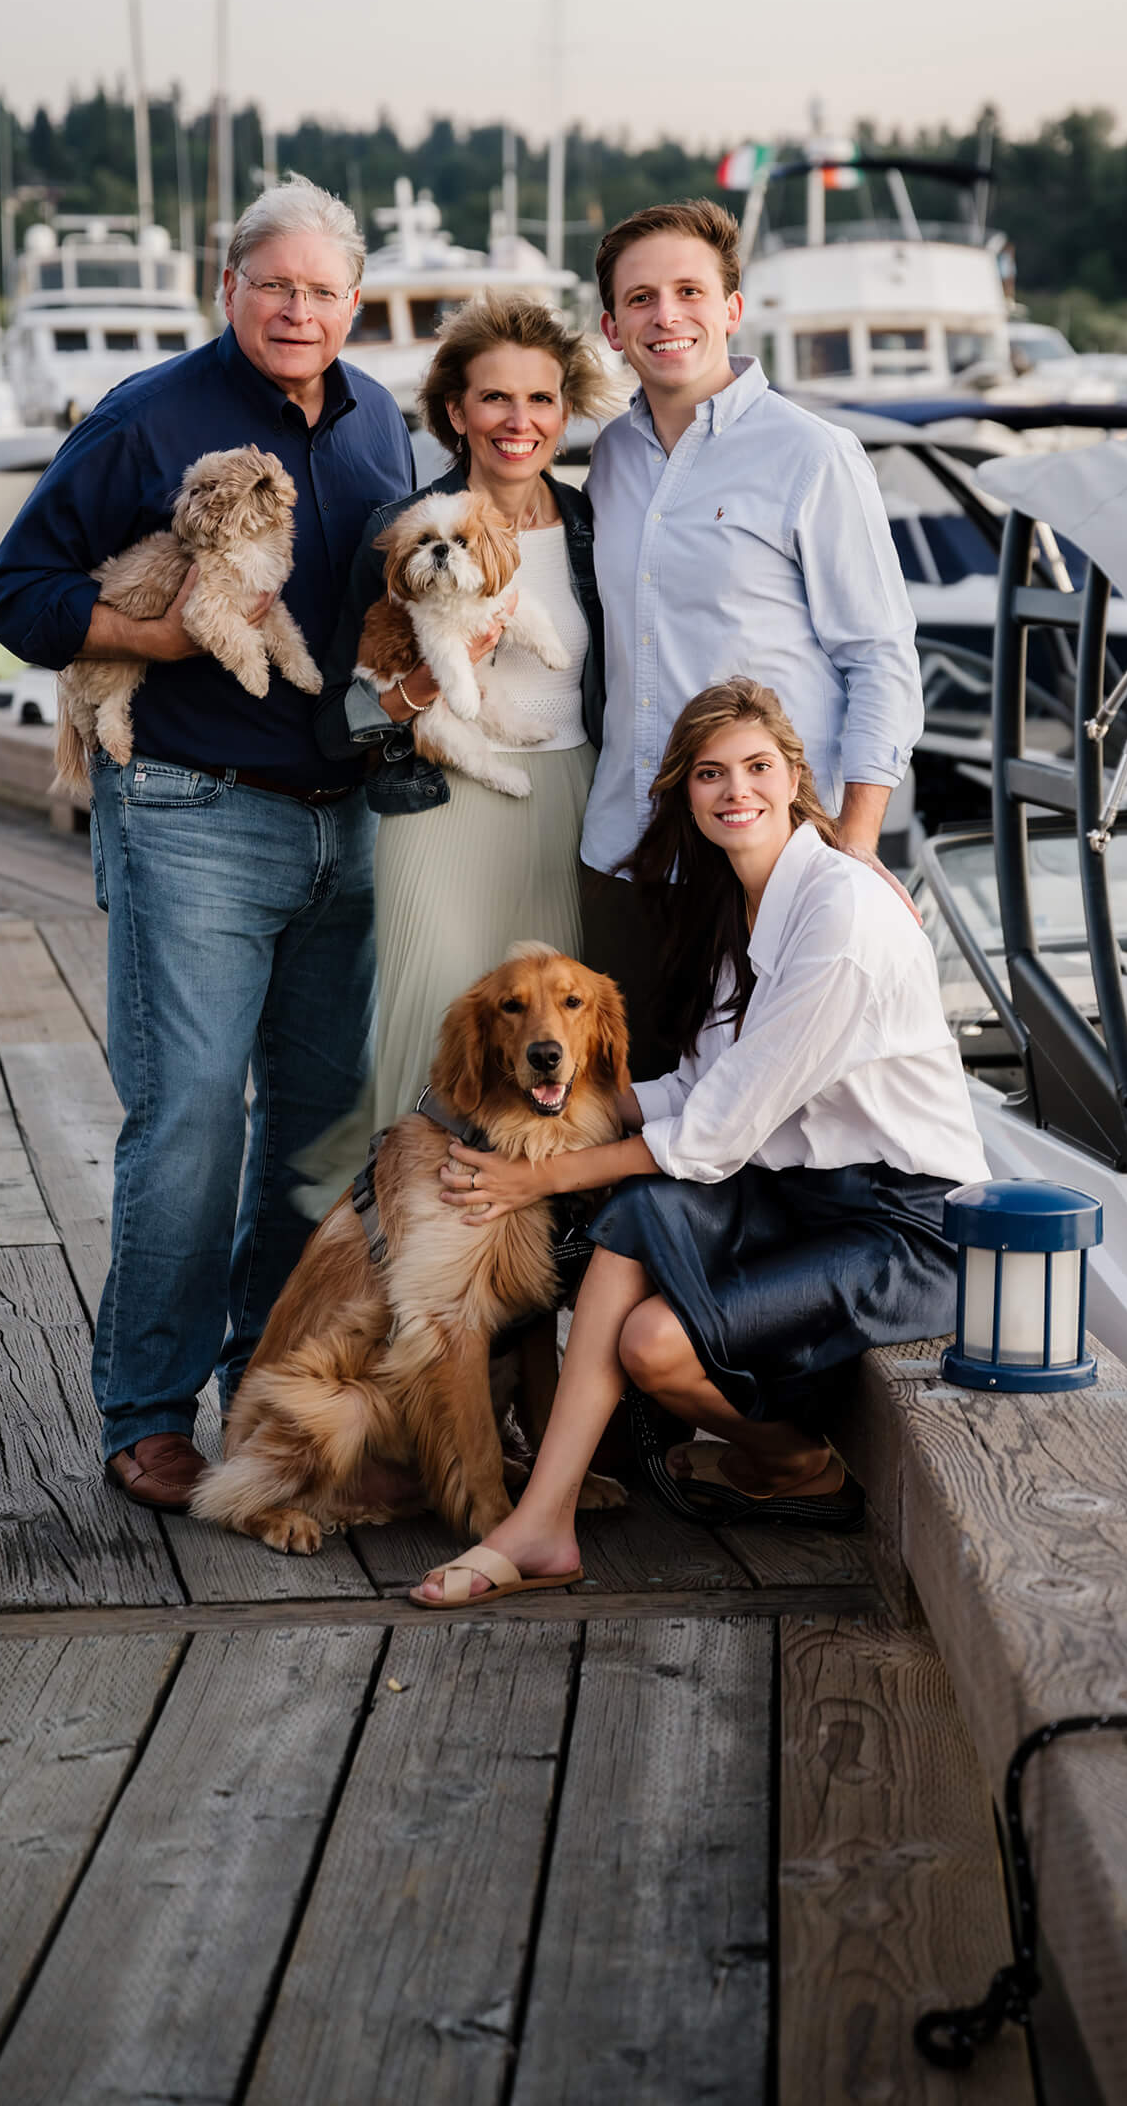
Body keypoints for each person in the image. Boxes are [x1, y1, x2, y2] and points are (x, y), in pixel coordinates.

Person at [0, 176, 414, 1512]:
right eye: (271, 283)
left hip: (350, 825)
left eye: (320, 290)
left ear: (352, 302)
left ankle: (266, 1385)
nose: (295, 308)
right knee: (186, 1133)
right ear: (228, 289)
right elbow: (18, 592)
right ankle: (147, 1410)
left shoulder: (380, 418)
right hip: (192, 816)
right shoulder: (148, 418)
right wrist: (161, 641)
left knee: (314, 1135)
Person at [406, 678, 989, 1606]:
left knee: (655, 1345)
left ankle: (795, 1464)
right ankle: (544, 1524)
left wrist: (537, 1178)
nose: (735, 791)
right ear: (686, 792)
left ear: (796, 778)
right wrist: (557, 1101)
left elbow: (714, 1133)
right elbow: (700, 1086)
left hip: (897, 1227)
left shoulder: (840, 917)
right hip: (792, 1194)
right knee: (640, 1215)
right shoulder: (742, 903)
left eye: (757, 768)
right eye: (710, 774)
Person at [579, 197, 925, 1070]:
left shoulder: (811, 454)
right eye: (641, 299)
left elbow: (879, 658)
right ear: (612, 327)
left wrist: (849, 848)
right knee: (637, 1097)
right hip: (625, 857)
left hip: (766, 858)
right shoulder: (609, 459)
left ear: (731, 310)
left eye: (690, 291)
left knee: (764, 1126)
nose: (667, 316)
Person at [313, 292, 616, 1131]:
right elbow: (334, 725)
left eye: (540, 398)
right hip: (437, 809)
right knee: (432, 1047)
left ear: (563, 412)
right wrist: (421, 690)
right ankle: (409, 1252)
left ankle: (539, 1256)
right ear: (455, 411)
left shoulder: (599, 523)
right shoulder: (400, 530)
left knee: (555, 1064)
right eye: (494, 397)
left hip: (574, 805)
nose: (518, 420)